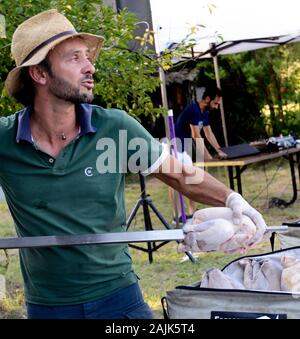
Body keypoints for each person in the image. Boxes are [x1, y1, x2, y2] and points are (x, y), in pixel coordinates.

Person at [0, 9, 266, 319]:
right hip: (47, 307)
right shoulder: (6, 140)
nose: (90, 67)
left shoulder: (113, 129)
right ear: (39, 74)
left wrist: (233, 199)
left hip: (119, 299)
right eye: (74, 58)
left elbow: (179, 175)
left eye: (88, 57)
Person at [175, 87, 228, 161]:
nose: (216, 107)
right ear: (207, 99)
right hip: (178, 147)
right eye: (215, 103)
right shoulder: (193, 110)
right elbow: (196, 135)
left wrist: (221, 151)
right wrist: (207, 156)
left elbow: (209, 134)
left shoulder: (205, 112)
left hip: (187, 145)